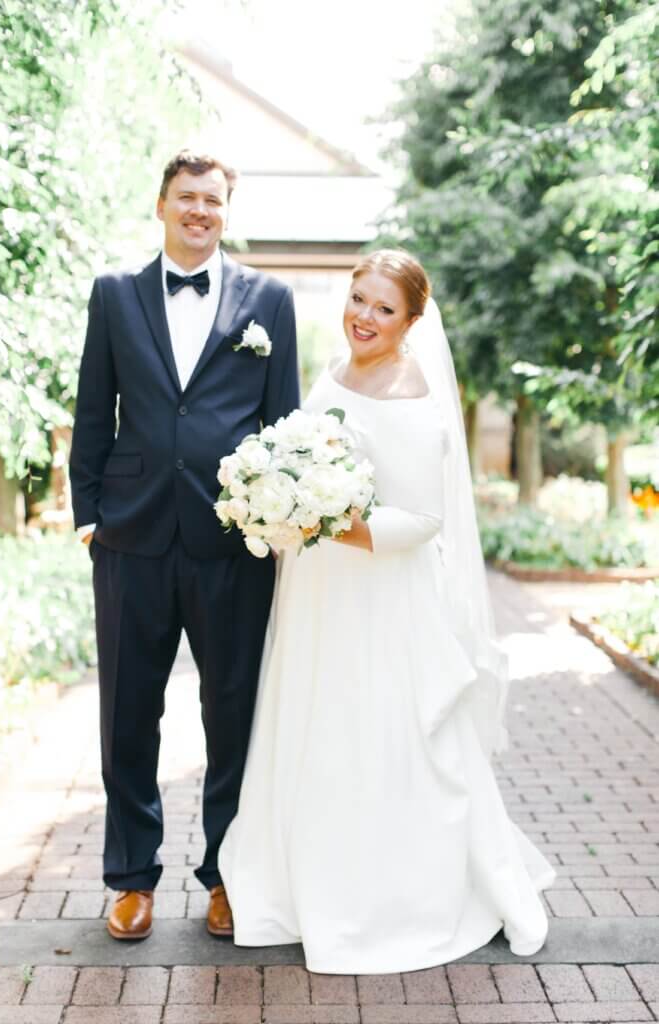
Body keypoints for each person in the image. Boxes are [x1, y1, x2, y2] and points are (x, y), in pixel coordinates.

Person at [218, 249, 556, 973]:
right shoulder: (335, 370)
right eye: (358, 299)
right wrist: (280, 505)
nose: (364, 317)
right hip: (316, 592)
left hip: (376, 596)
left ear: (410, 321)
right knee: (310, 725)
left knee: (372, 738)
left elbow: (423, 520)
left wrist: (327, 520)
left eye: (383, 308)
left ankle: (381, 899)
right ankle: (296, 883)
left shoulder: (411, 393)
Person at [69, 150, 300, 941]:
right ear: (161, 205)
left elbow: (284, 423)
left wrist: (278, 523)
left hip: (233, 540)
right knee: (128, 711)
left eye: (212, 200)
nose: (199, 210)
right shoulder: (115, 296)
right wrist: (89, 515)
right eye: (185, 198)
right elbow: (94, 410)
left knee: (232, 711)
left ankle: (226, 875)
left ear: (227, 212)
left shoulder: (270, 298)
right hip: (130, 537)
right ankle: (130, 879)